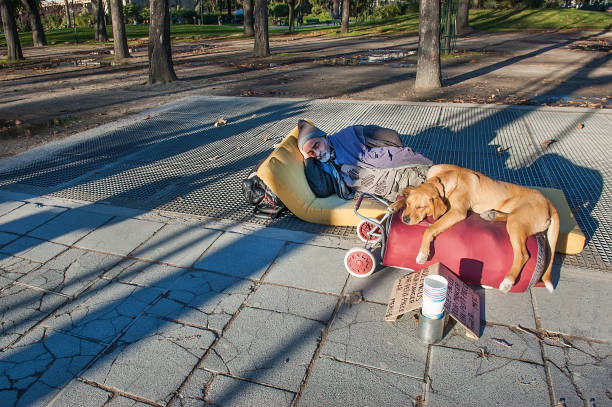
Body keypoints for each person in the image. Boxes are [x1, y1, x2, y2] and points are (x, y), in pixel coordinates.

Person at [297, 120, 433, 202]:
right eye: (311, 153)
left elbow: (392, 137)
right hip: (390, 189)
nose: (318, 153)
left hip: (405, 171)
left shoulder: (348, 135)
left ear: (325, 137)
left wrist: (382, 155)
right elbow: (322, 190)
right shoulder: (320, 166)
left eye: (317, 145)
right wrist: (308, 158)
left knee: (436, 185)